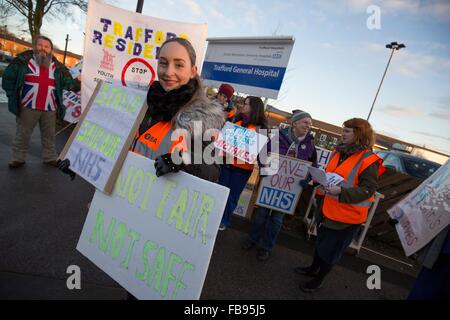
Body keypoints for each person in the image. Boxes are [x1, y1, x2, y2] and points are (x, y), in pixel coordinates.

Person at [59, 37, 224, 182]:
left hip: (152, 210)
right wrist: (79, 162)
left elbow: (212, 171)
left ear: (193, 71)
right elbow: (110, 141)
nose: (168, 72)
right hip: (113, 200)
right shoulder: (138, 101)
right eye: (163, 63)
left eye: (179, 65)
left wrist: (182, 160)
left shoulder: (199, 118)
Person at [294, 118, 385, 293]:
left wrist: (341, 192)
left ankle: (318, 280)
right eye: (343, 130)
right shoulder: (339, 151)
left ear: (359, 134)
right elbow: (332, 174)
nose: (342, 133)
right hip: (327, 208)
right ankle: (313, 269)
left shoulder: (369, 159)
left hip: (347, 217)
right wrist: (319, 179)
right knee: (321, 243)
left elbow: (368, 190)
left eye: (347, 131)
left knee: (331, 252)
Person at [242, 110, 318, 261]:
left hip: (288, 190)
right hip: (270, 184)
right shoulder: (278, 138)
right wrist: (264, 170)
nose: (308, 126)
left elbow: (313, 166)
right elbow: (263, 155)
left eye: (310, 124)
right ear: (294, 123)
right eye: (305, 122)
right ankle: (252, 239)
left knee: (276, 221)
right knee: (261, 215)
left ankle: (266, 248)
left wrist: (307, 178)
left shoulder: (310, 146)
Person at [2, 35, 80, 168]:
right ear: (35, 46)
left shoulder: (58, 67)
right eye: (40, 45)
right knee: (23, 134)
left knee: (49, 136)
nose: (43, 48)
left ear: (51, 50)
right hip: (28, 106)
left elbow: (69, 84)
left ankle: (50, 157)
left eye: (46, 46)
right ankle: (18, 158)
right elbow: (7, 78)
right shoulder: (22, 61)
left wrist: (78, 81)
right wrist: (12, 95)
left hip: (50, 108)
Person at [218, 96, 268, 231]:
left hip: (242, 169)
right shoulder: (236, 120)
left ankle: (224, 221)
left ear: (254, 108)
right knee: (220, 192)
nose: (242, 106)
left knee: (232, 196)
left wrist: (265, 172)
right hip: (226, 163)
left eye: (246, 104)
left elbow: (263, 153)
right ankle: (214, 217)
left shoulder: (261, 128)